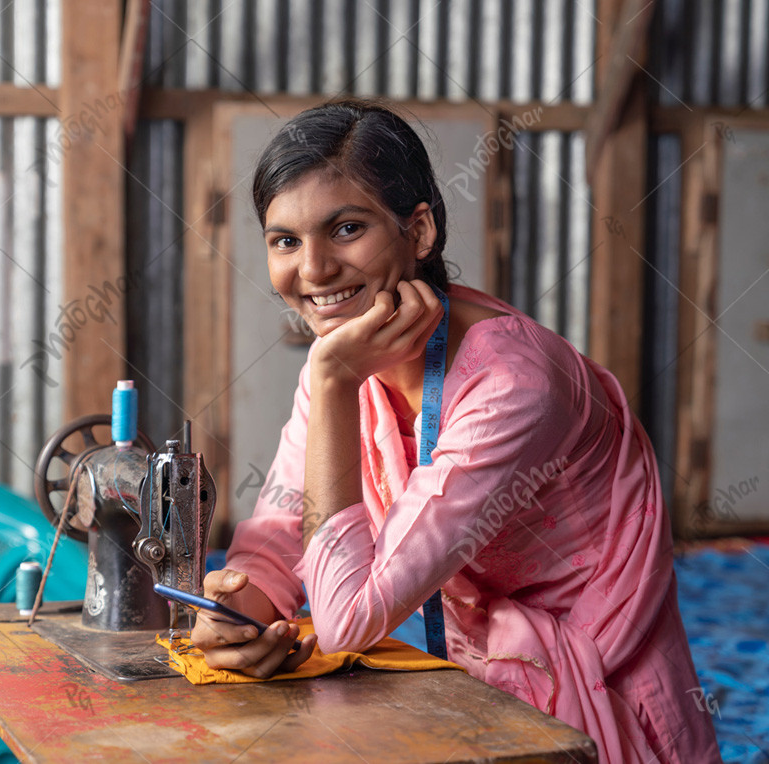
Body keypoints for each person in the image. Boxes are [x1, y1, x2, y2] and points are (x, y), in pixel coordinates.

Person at [190, 99, 721, 763]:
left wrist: (330, 385)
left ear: (418, 233)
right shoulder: (351, 360)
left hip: (592, 707)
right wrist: (240, 614)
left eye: (347, 228)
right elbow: (278, 531)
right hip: (471, 683)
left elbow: (346, 618)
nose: (315, 269)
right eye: (286, 241)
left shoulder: (511, 384)